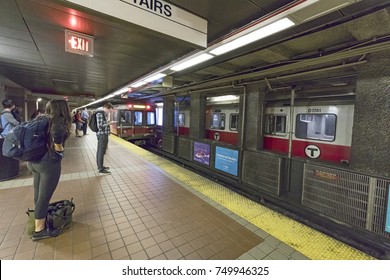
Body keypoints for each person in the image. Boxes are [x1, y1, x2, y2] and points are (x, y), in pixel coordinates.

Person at [27, 99, 71, 241]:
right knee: (44, 197)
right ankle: (39, 231)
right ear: (63, 109)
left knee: (38, 194)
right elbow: (57, 135)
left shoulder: (42, 119)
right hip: (48, 164)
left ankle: (39, 221)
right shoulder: (58, 122)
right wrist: (60, 151)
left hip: (34, 161)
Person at [95, 102, 113, 175]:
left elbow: (102, 124)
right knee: (100, 152)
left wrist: (107, 121)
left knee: (101, 152)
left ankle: (101, 166)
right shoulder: (100, 114)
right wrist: (109, 123)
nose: (109, 112)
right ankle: (101, 169)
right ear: (106, 108)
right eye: (109, 110)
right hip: (102, 135)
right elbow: (100, 126)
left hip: (104, 135)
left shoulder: (102, 114)